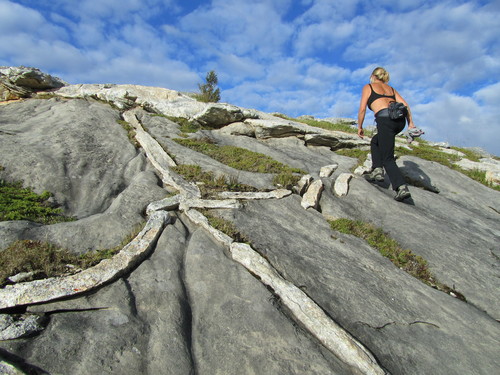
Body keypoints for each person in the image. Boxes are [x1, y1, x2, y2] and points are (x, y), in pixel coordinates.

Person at [357, 67, 415, 201]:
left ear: (373, 76)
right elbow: (405, 106)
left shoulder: (369, 87)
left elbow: (362, 109)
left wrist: (360, 126)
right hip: (399, 121)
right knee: (376, 141)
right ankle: (377, 170)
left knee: (388, 158)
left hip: (385, 121)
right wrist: (410, 123)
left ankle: (401, 187)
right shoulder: (391, 89)